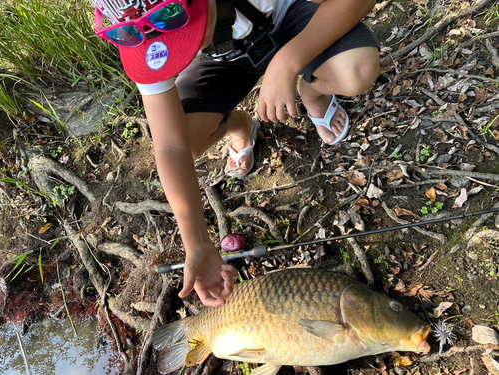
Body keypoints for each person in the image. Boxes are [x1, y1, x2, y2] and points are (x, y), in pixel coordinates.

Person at [93, 0, 380, 307]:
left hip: (285, 18)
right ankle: (240, 125)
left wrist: (288, 62)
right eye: (160, 42)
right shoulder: (142, 34)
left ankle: (312, 91)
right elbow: (170, 146)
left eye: (181, 31)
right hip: (222, 60)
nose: (173, 49)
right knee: (186, 141)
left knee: (357, 69)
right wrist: (197, 243)